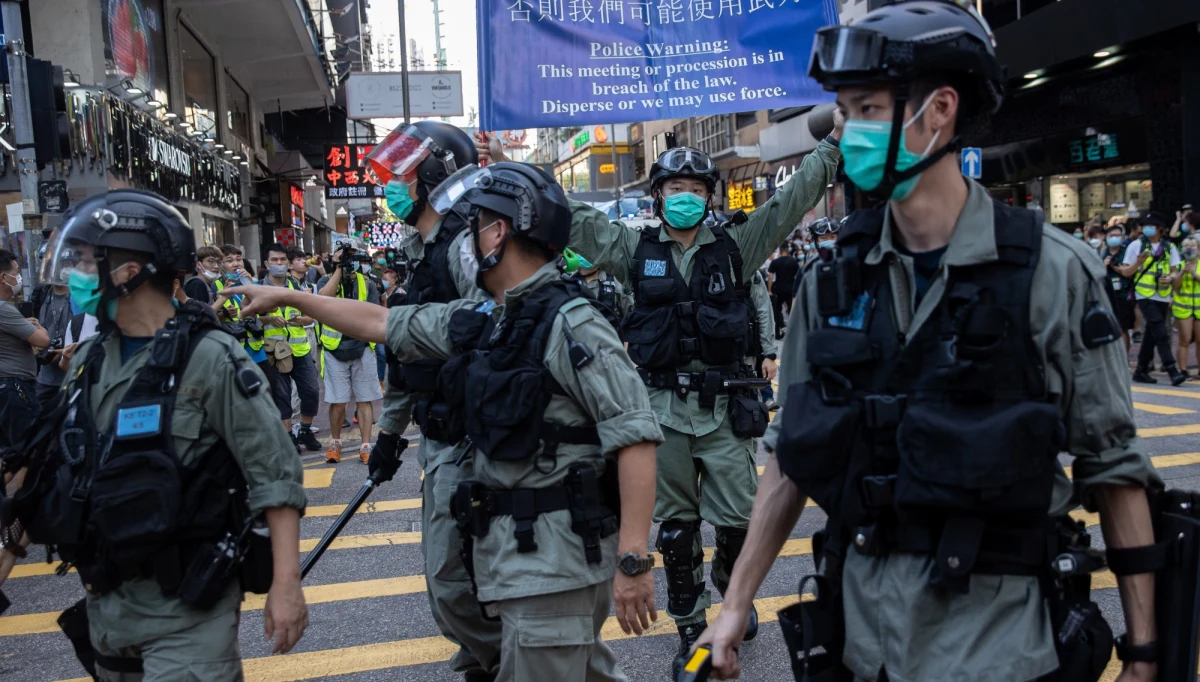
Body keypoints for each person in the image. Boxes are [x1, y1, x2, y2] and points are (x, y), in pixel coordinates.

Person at [697, 5, 1162, 682]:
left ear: (938, 110)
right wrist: (737, 603)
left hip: (1003, 649)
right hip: (863, 646)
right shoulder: (831, 283)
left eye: (865, 109)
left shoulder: (1050, 273)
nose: (845, 132)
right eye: (843, 112)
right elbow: (789, 456)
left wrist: (1145, 652)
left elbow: (1114, 466)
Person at [225, 161, 661, 682]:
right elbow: (385, 323)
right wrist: (291, 297)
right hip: (519, 556)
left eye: (474, 227)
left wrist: (633, 561)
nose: (466, 242)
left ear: (499, 232)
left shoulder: (571, 324)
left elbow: (634, 436)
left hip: (557, 562)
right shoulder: (492, 318)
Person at [541, 110, 842, 670]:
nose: (686, 197)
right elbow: (575, 220)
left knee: (736, 521)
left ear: (710, 195)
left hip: (726, 408)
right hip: (661, 412)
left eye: (696, 189)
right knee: (677, 531)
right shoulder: (633, 251)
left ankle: (732, 596)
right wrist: (525, 185)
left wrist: (831, 150)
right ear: (658, 196)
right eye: (675, 188)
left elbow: (790, 201)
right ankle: (690, 626)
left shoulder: (738, 246)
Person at [1, 189, 307, 680]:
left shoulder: (209, 358)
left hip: (187, 610)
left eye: (84, 261)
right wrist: (8, 559)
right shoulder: (87, 360)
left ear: (129, 272)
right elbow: (48, 475)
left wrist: (287, 585)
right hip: (108, 609)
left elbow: (274, 473)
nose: (74, 274)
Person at [370, 120, 502, 680]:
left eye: (399, 177)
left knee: (453, 578)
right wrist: (386, 434)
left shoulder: (463, 250)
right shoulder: (416, 250)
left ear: (430, 177)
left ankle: (503, 658)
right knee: (446, 576)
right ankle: (483, 653)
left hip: (476, 436)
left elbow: (493, 335)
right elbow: (407, 355)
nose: (391, 190)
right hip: (438, 436)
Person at [317, 238, 383, 464]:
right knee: (337, 401)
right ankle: (335, 443)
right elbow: (323, 301)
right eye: (345, 255)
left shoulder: (368, 283)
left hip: (363, 347)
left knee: (365, 399)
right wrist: (337, 269)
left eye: (353, 255)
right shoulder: (325, 281)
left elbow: (375, 313)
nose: (349, 260)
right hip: (334, 349)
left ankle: (366, 445)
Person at [250, 244, 322, 451]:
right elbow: (248, 317)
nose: (279, 264)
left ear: (288, 263)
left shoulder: (298, 286)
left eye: (282, 260)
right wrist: (269, 319)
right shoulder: (257, 288)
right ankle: (288, 436)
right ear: (266, 264)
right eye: (275, 260)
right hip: (274, 352)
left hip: (300, 349)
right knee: (281, 395)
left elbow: (311, 315)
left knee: (311, 390)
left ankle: (306, 431)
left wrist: (303, 320)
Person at [1118, 211, 1185, 385]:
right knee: (1160, 330)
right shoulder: (1136, 246)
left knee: (1151, 334)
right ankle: (1172, 369)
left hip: (1162, 295)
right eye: (1145, 226)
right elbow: (1125, 272)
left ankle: (1140, 370)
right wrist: (1138, 263)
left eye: (1151, 226)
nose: (1147, 229)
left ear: (1160, 229)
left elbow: (1174, 271)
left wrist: (1170, 278)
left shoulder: (1169, 247)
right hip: (1144, 294)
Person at [0, 249, 49, 450]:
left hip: (7, 389)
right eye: (16, 272)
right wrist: (39, 326)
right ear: (3, 277)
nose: (18, 277)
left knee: (10, 451)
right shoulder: (3, 309)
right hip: (15, 388)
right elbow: (42, 341)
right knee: (32, 449)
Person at [32, 273, 72, 406]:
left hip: (71, 377)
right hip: (45, 379)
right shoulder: (40, 294)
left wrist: (63, 353)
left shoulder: (80, 296)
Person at [1101, 223, 1135, 352]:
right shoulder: (1102, 252)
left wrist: (1115, 267)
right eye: (1111, 235)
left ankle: (1124, 359)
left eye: (1117, 235)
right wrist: (1104, 265)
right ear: (1106, 237)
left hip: (1123, 294)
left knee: (1122, 328)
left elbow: (1130, 272)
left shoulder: (1127, 252)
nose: (1114, 238)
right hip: (1106, 294)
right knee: (1108, 327)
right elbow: (1097, 274)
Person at [748, 270, 779, 411]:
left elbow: (764, 311)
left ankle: (768, 398)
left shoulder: (748, 269)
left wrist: (769, 354)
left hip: (747, 351)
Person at [1173, 237, 1200, 378]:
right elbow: (1174, 286)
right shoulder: (1178, 265)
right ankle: (1182, 369)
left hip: (1199, 309)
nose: (1190, 249)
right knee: (1185, 339)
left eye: (1193, 246)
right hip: (1183, 308)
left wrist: (1194, 273)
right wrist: (1183, 272)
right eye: (1187, 246)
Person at [767, 246, 800, 337]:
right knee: (792, 311)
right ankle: (794, 333)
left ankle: (778, 332)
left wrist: (769, 290)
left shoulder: (775, 262)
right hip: (791, 289)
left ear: (780, 252)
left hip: (779, 289)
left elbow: (770, 276)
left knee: (777, 311)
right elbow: (798, 276)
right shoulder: (794, 261)